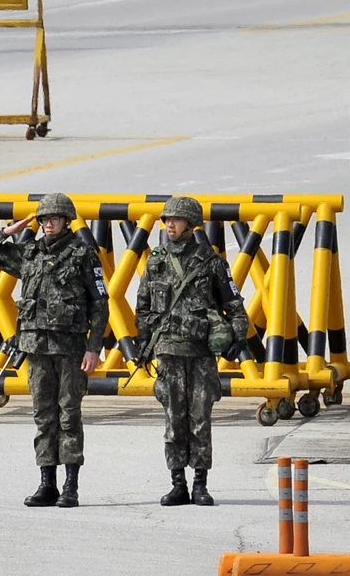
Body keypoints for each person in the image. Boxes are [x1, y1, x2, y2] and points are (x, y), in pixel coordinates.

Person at [0, 193, 109, 508]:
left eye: (54, 218)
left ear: (66, 221)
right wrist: (10, 230)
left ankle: (71, 486)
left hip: (70, 348)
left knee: (69, 415)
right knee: (43, 415)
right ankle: (46, 483)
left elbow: (100, 305)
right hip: (36, 348)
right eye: (44, 219)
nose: (48, 224)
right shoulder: (30, 253)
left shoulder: (82, 255)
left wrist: (93, 348)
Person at [134, 196, 249, 507]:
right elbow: (143, 306)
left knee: (200, 419)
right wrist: (143, 341)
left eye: (177, 219)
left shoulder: (211, 263)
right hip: (168, 353)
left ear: (191, 224)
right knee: (174, 420)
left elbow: (235, 306)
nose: (170, 224)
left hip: (200, 355)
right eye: (167, 219)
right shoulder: (156, 260)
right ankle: (177, 483)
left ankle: (200, 483)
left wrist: (238, 338)